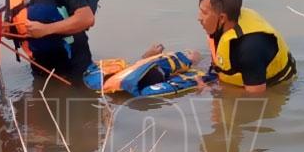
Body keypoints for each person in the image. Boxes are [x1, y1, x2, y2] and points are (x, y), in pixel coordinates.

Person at [197, 0, 296, 94]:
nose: (199, 18)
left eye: (204, 13)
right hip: (245, 68)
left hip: (276, 88)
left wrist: (212, 89)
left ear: (222, 18)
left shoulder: (250, 49)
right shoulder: (223, 23)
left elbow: (255, 97)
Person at [83, 43, 216, 97]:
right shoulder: (124, 81)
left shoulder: (99, 82)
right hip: (153, 71)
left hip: (147, 70)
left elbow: (134, 69)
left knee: (191, 59)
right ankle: (192, 58)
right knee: (193, 57)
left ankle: (151, 58)